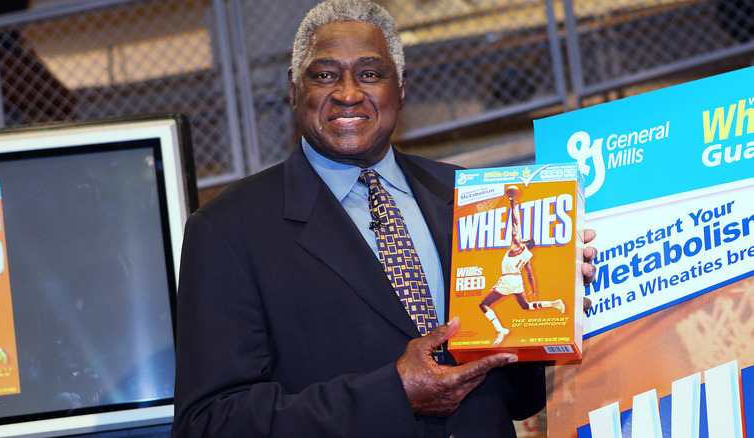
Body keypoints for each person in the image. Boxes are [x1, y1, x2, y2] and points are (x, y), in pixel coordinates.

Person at [171, 1, 597, 436]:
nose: (349, 93)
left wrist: (554, 304)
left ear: (401, 89)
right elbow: (210, 423)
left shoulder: (470, 195)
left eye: (371, 74)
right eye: (324, 75)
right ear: (294, 89)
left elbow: (518, 395)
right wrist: (392, 393)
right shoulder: (227, 230)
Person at [479, 196, 566, 347]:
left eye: (523, 238)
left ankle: (500, 330)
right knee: (526, 306)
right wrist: (533, 290)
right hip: (517, 281)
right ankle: (553, 303)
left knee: (484, 304)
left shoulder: (517, 246)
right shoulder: (527, 255)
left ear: (525, 242)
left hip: (507, 280)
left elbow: (515, 223)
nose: (520, 237)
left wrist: (513, 205)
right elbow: (530, 274)